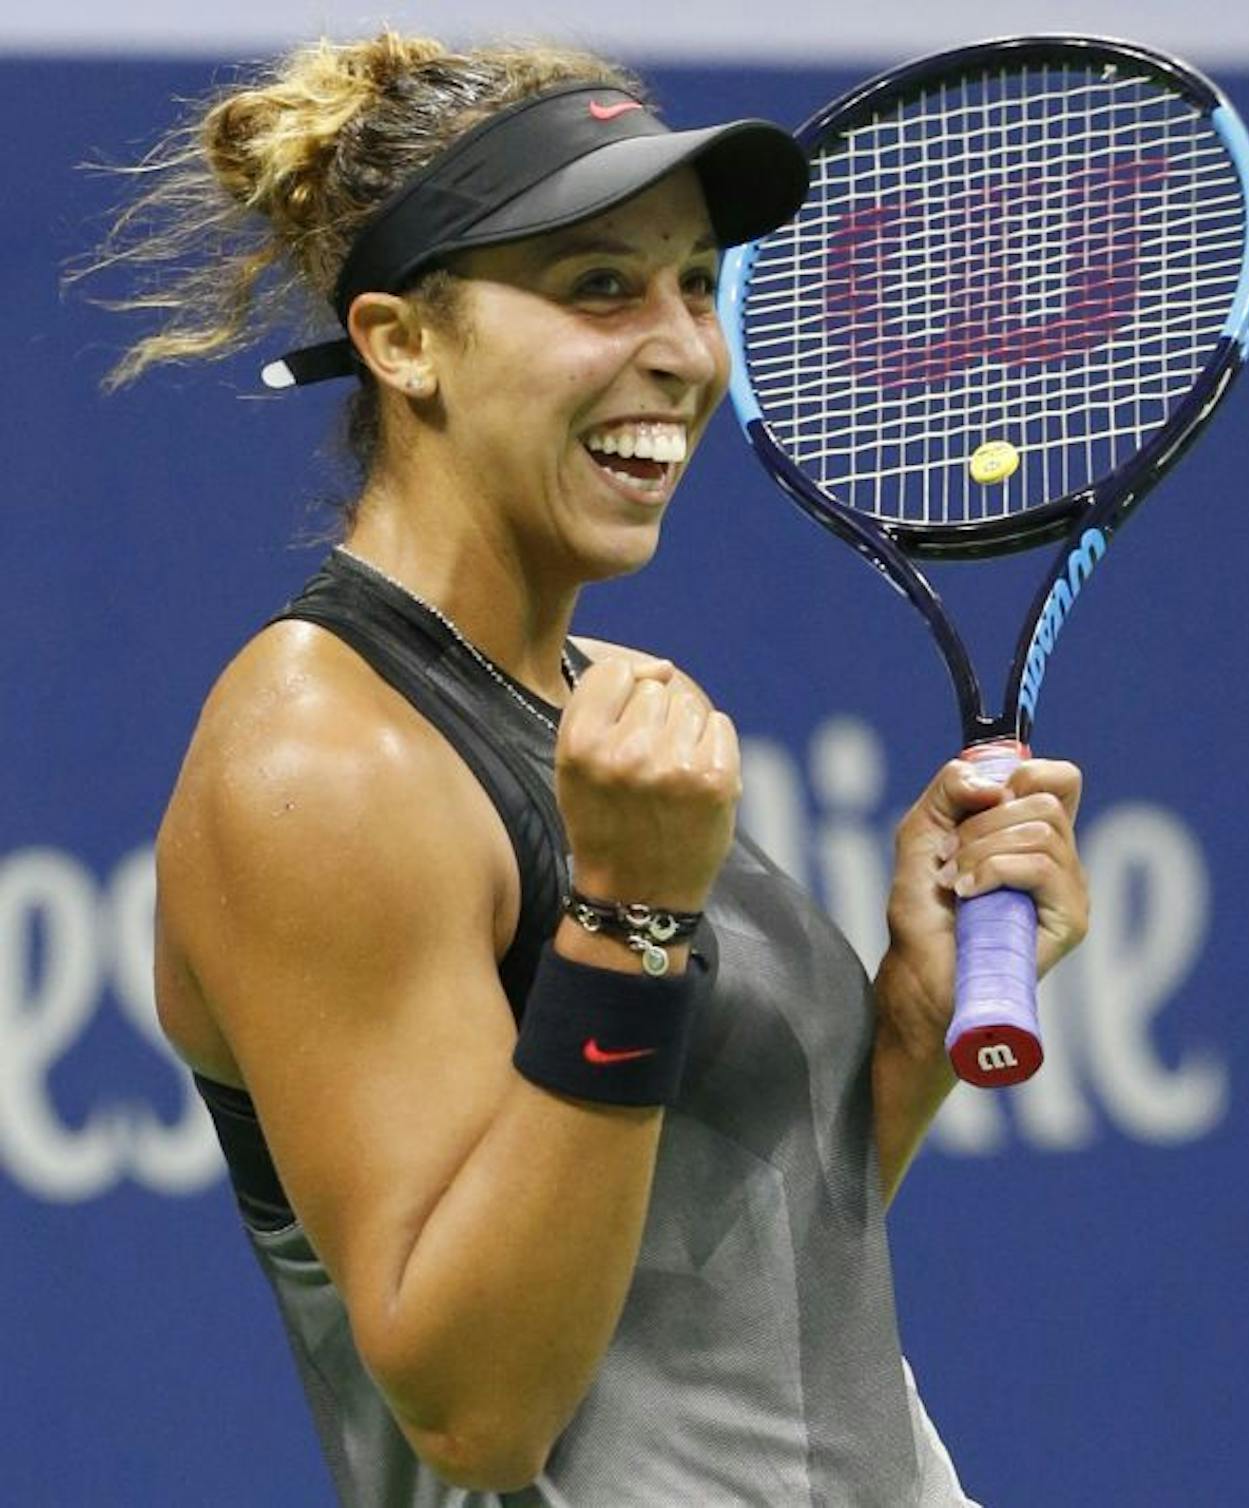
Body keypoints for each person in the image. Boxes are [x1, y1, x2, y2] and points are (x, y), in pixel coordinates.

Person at [94, 32, 1089, 1506]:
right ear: (403, 340)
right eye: (599, 287)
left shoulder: (596, 709)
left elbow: (696, 1294)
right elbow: (481, 1411)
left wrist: (905, 1033)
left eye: (696, 283)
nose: (687, 348)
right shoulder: (319, 758)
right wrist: (628, 917)